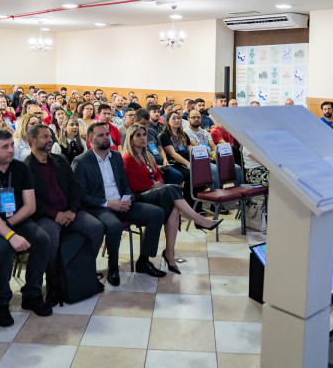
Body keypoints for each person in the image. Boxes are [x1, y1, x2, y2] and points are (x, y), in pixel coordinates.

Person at [0, 127, 52, 326]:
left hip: (15, 220)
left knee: (42, 239)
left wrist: (9, 225)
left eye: (12, 145)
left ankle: (31, 294)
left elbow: (30, 205)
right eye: (5, 147)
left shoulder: (21, 168)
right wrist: (7, 233)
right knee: (4, 249)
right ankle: (1, 302)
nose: (11, 150)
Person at [71, 122, 166, 286]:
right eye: (101, 135)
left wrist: (127, 198)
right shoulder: (81, 161)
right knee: (114, 226)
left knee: (157, 213)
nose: (106, 137)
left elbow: (124, 183)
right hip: (100, 206)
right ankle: (113, 267)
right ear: (91, 139)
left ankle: (144, 260)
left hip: (122, 203)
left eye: (107, 134)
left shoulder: (115, 156)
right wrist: (109, 203)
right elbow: (81, 196)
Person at [123, 124, 221, 273]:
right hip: (140, 196)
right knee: (171, 188)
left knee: (174, 207)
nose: (143, 138)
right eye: (138, 135)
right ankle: (198, 220)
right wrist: (153, 186)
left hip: (153, 192)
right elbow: (134, 184)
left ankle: (169, 254)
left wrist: (157, 184)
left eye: (144, 134)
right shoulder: (128, 158)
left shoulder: (148, 155)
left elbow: (157, 176)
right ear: (130, 139)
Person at [24, 124, 104, 304]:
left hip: (70, 211)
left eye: (50, 136)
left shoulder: (60, 160)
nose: (50, 139)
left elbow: (75, 187)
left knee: (96, 227)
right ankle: (54, 282)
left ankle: (82, 272)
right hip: (46, 215)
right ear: (32, 140)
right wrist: (55, 214)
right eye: (44, 137)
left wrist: (73, 210)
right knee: (50, 237)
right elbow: (32, 200)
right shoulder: (26, 167)